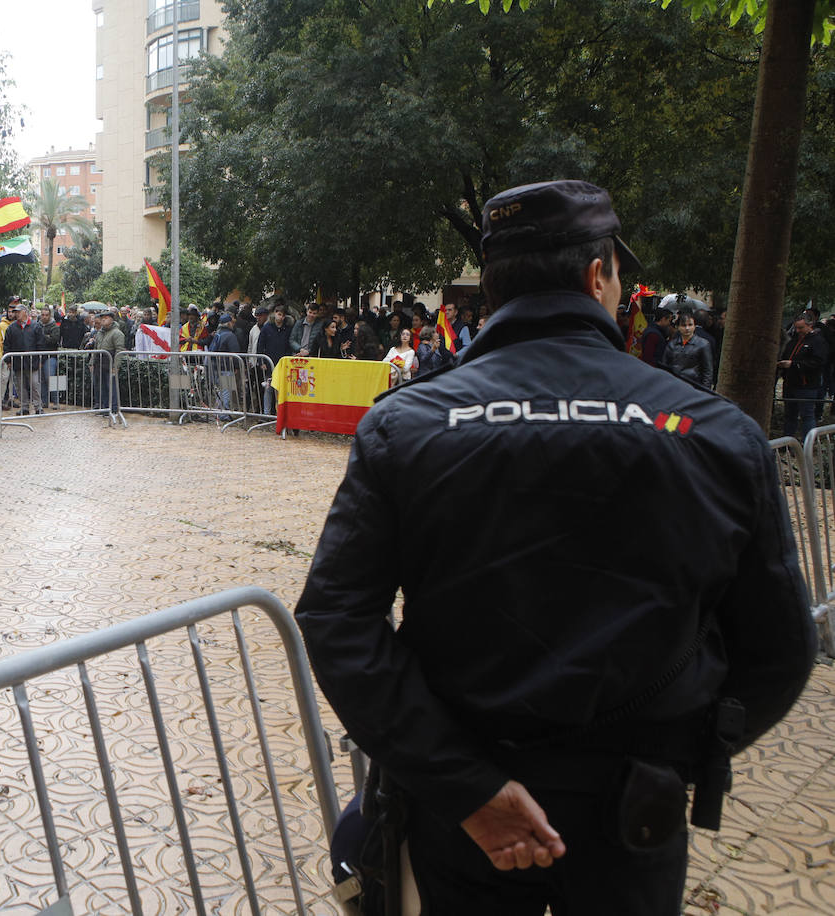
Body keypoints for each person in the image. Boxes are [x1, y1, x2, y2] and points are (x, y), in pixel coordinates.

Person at [295, 179, 815, 915]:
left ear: (493, 287)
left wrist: (465, 785)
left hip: (461, 807)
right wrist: (676, 757)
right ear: (598, 274)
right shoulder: (716, 433)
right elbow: (779, 649)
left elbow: (337, 623)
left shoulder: (405, 427)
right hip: (629, 808)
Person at [779, 313, 828, 441]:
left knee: (807, 415)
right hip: (790, 383)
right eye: (796, 328)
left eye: (801, 328)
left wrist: (794, 365)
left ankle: (808, 443)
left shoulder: (818, 341)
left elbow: (818, 362)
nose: (798, 331)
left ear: (810, 325)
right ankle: (787, 442)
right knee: (790, 414)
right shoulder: (794, 340)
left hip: (807, 385)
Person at [662, 312, 714, 389]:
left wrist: (705, 391)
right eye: (683, 325)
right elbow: (665, 367)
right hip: (674, 385)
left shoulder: (703, 344)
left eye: (690, 325)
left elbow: (707, 371)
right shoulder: (672, 344)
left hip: (694, 386)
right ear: (678, 327)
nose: (687, 328)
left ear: (694, 326)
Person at [92, 310, 125, 414]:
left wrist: (116, 366)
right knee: (101, 386)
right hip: (99, 363)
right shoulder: (100, 333)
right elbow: (96, 348)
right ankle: (104, 407)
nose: (103, 320)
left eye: (106, 318)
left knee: (111, 386)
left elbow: (119, 350)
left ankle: (113, 408)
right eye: (102, 318)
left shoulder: (117, 333)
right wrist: (91, 362)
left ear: (111, 319)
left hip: (109, 362)